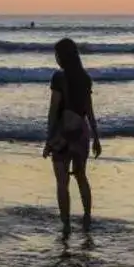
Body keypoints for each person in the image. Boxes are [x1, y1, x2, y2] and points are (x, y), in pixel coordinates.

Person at [43, 37, 101, 226]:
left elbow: (53, 110)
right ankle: (87, 217)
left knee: (62, 183)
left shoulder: (58, 78)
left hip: (63, 134)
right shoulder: (84, 78)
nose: (56, 58)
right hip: (81, 133)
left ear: (62, 56)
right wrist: (96, 137)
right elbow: (89, 110)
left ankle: (66, 223)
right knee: (81, 176)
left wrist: (49, 139)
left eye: (57, 54)